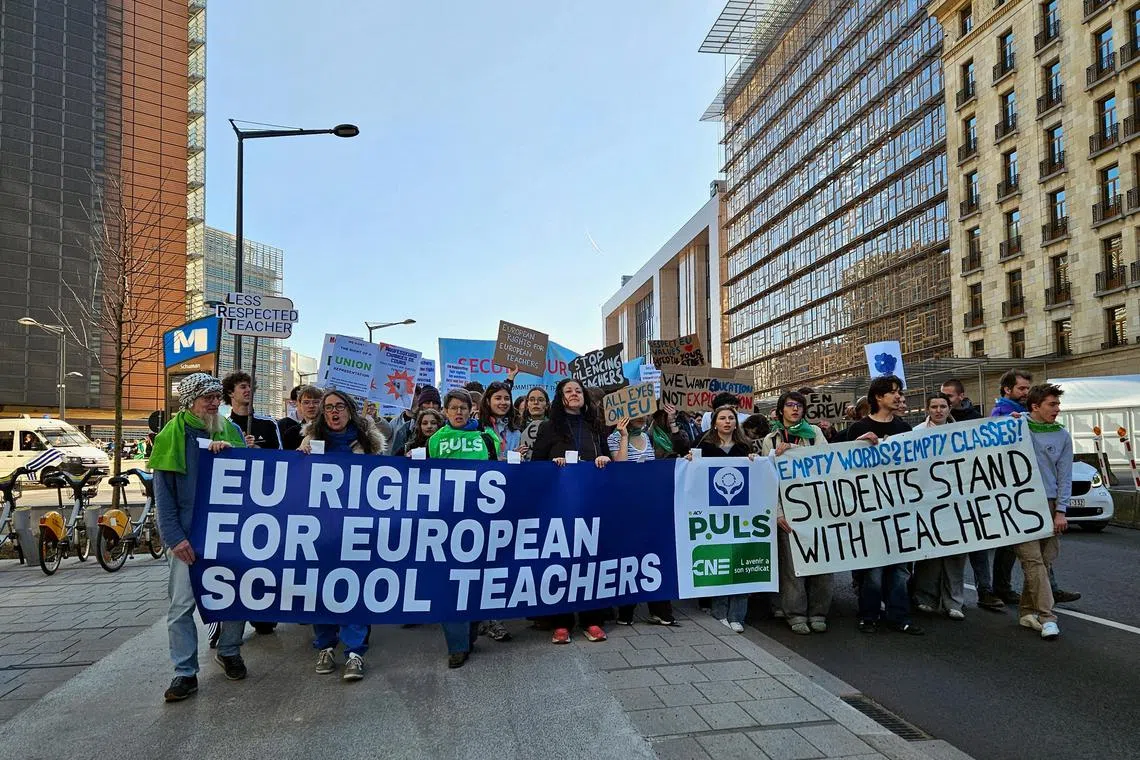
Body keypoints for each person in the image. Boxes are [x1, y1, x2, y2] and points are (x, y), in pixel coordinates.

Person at [149, 373, 248, 702]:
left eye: (217, 396)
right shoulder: (169, 437)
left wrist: (230, 453)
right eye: (207, 397)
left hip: (229, 534)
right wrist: (175, 538)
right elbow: (163, 497)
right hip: (188, 537)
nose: (214, 402)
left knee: (235, 597)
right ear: (189, 401)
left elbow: (252, 476)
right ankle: (184, 672)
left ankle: (230, 651)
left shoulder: (229, 430)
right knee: (181, 607)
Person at [300, 389, 386, 681]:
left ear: (350, 409)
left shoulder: (368, 444)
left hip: (358, 528)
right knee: (321, 588)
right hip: (321, 530)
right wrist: (299, 460)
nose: (333, 412)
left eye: (339, 407)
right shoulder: (310, 442)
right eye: (327, 408)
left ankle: (354, 652)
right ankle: (325, 645)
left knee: (354, 587)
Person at [531, 378, 613, 644]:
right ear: (561, 397)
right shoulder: (548, 426)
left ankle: (592, 620)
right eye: (569, 391)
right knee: (561, 561)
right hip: (560, 505)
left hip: (592, 502)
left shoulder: (595, 426)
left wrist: (603, 459)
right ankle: (561, 621)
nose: (575, 394)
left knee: (590, 561)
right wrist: (551, 465)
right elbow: (536, 465)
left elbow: (608, 456)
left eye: (578, 390)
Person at [428, 388, 501, 666]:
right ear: (445, 412)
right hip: (447, 522)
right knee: (451, 581)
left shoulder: (487, 437)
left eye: (463, 407)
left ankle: (470, 629)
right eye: (453, 408)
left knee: (476, 579)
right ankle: (456, 645)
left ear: (472, 409)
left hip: (481, 520)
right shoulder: (436, 440)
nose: (458, 412)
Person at [845, 375, 923, 635]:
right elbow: (841, 467)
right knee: (873, 568)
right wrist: (858, 446)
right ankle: (869, 614)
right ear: (878, 397)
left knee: (900, 569)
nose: (898, 396)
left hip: (899, 508)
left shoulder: (904, 429)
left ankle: (899, 615)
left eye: (899, 391)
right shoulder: (859, 429)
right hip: (869, 509)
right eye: (893, 392)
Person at [762, 391, 832, 635]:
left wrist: (794, 450)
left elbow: (827, 461)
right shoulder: (770, 440)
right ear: (781, 410)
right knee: (792, 567)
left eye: (799, 406)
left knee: (822, 563)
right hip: (789, 510)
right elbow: (768, 480)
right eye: (790, 405)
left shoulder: (815, 434)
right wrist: (778, 512)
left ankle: (819, 612)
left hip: (818, 508)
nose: (795, 409)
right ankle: (796, 613)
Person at [686, 405, 757, 633]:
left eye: (731, 418)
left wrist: (756, 462)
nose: (727, 422)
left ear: (736, 423)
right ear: (714, 423)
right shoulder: (704, 447)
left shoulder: (745, 447)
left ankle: (737, 615)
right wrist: (689, 460)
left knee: (741, 560)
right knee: (719, 561)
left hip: (741, 515)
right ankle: (719, 612)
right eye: (722, 418)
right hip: (713, 514)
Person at [608, 414, 676, 627]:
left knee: (654, 555)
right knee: (631, 555)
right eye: (634, 414)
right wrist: (624, 436)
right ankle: (626, 611)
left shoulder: (650, 437)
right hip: (626, 505)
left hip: (649, 503)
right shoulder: (614, 438)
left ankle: (661, 610)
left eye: (643, 413)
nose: (640, 418)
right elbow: (620, 465)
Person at [1017, 383, 1071, 640]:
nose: (1057, 409)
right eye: (1052, 404)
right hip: (1021, 503)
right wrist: (1011, 421)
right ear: (1035, 407)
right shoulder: (1015, 426)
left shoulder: (1062, 435)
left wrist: (1060, 511)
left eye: (1058, 404)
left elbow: (1065, 476)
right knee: (1033, 560)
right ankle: (1048, 617)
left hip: (1049, 503)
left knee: (1045, 560)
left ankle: (1027, 610)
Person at [912, 394, 968, 620]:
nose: (938, 410)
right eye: (934, 406)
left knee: (956, 553)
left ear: (949, 408)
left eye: (942, 406)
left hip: (957, 501)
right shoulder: (916, 434)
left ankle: (954, 601)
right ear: (927, 409)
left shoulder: (964, 434)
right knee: (930, 553)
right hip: (928, 501)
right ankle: (926, 598)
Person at [222, 371, 281, 450]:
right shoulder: (224, 426)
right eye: (243, 387)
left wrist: (256, 448)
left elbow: (280, 455)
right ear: (230, 393)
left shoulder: (269, 423)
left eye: (250, 386)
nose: (249, 390)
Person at [389, 386, 441, 456]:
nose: (431, 406)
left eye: (435, 403)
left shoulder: (448, 430)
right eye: (427, 402)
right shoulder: (407, 429)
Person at [479, 381, 523, 459]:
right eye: (498, 398)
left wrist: (517, 458)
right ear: (488, 401)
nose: (503, 402)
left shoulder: (516, 432)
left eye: (507, 398)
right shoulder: (479, 428)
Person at [281, 385, 322, 450]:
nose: (311, 406)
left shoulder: (332, 431)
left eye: (316, 402)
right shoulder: (290, 433)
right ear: (299, 405)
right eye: (306, 402)